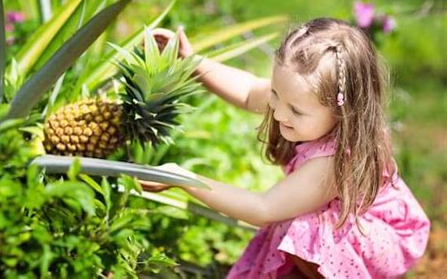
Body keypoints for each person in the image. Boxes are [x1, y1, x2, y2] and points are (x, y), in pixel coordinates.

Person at [142, 18, 430, 278]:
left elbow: (263, 208)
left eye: (296, 111)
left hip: (380, 239)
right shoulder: (298, 100)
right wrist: (192, 61)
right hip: (344, 232)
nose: (279, 113)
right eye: (276, 96)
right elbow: (246, 90)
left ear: (343, 113)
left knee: (301, 226)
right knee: (295, 224)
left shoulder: (334, 162)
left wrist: (182, 179)